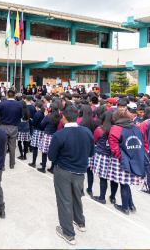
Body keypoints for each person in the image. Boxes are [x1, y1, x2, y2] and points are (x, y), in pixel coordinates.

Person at [48, 105, 94, 245]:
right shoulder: (87, 132)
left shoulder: (59, 134)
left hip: (63, 171)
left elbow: (51, 156)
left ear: (63, 118)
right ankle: (80, 222)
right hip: (80, 171)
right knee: (77, 197)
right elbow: (91, 153)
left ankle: (68, 233)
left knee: (64, 201)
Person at [107, 110, 147, 215]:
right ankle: (131, 204)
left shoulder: (115, 128)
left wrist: (122, 158)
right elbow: (144, 142)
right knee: (127, 183)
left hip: (122, 160)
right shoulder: (136, 127)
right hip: (136, 158)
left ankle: (124, 207)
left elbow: (114, 148)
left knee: (124, 183)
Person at [0, 90, 23, 169]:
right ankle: (12, 163)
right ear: (15, 95)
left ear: (7, 96)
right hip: (14, 126)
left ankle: (2, 165)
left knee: (3, 146)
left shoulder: (3, 103)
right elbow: (20, 115)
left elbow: (0, 114)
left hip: (4, 126)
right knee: (12, 146)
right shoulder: (18, 104)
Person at [38, 101, 63, 174]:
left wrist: (45, 116)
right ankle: (52, 168)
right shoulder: (59, 117)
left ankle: (43, 167)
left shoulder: (48, 116)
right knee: (54, 152)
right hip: (55, 136)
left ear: (51, 108)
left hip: (47, 135)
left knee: (44, 152)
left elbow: (42, 125)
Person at [29, 101, 45, 168]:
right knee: (43, 149)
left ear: (37, 107)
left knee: (35, 147)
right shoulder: (44, 113)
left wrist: (31, 120)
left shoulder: (37, 114)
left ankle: (33, 162)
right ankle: (43, 163)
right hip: (43, 131)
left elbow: (33, 123)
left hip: (37, 131)